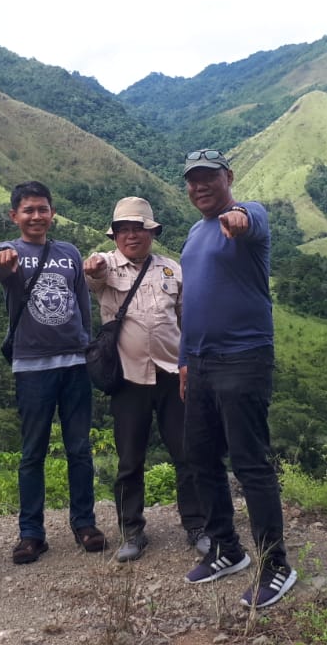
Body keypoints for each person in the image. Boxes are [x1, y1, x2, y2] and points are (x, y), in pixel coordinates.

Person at [178, 148, 296, 608]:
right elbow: (192, 300)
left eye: (208, 177)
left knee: (249, 463)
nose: (199, 186)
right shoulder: (195, 232)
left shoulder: (247, 215)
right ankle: (227, 549)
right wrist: (185, 359)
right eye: (193, 180)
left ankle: (276, 565)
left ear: (228, 177)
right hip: (201, 362)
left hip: (244, 357)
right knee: (201, 457)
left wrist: (239, 219)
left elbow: (253, 220)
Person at [83, 197, 208, 562]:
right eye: (123, 230)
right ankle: (132, 531)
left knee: (186, 454)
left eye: (138, 228)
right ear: (115, 236)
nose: (131, 235)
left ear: (151, 232)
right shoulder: (107, 266)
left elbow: (186, 320)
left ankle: (197, 525)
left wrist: (190, 364)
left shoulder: (171, 270)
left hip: (172, 375)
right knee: (129, 460)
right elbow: (93, 271)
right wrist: (93, 263)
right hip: (128, 379)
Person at [0, 181, 106, 564]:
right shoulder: (9, 252)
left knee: (79, 449)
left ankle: (84, 524)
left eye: (42, 209)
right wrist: (3, 258)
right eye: (28, 210)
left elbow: (82, 304)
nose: (36, 216)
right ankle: (31, 533)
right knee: (32, 451)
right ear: (15, 216)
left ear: (52, 213)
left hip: (74, 363)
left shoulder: (68, 252)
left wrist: (87, 345)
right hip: (32, 366)